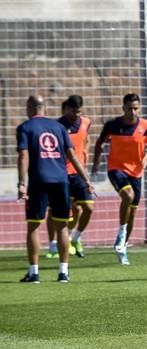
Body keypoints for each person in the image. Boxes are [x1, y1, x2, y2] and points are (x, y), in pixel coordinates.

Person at [17, 95, 94, 283]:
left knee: (34, 226)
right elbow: (73, 156)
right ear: (44, 109)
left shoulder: (25, 128)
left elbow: (24, 156)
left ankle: (34, 272)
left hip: (39, 181)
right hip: (61, 181)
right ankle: (63, 272)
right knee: (62, 226)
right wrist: (87, 179)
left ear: (29, 108)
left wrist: (21, 183)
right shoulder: (59, 127)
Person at [92, 93, 147, 265]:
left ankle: (122, 248)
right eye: (129, 108)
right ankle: (121, 233)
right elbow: (99, 143)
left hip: (136, 173)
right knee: (127, 196)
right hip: (117, 170)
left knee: (133, 213)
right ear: (123, 108)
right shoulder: (113, 125)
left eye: (136, 108)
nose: (133, 111)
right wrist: (96, 164)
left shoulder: (145, 126)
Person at [46, 95, 94, 259]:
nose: (76, 115)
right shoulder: (56, 126)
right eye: (73, 112)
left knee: (87, 208)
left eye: (79, 112)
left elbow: (87, 138)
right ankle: (53, 245)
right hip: (61, 174)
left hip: (79, 172)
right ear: (66, 109)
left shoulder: (86, 122)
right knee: (55, 211)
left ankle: (75, 238)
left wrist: (85, 153)